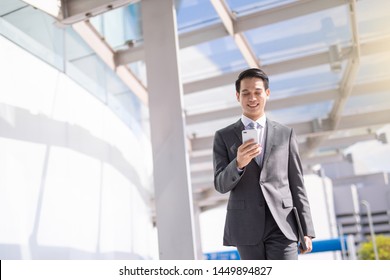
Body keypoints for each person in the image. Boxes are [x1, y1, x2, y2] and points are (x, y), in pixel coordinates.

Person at [213, 68, 315, 260]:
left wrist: (307, 229)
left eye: (257, 92)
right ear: (237, 96)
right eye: (246, 93)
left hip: (283, 224)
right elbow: (220, 184)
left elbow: (297, 184)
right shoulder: (223, 136)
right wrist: (238, 164)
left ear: (267, 93)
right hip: (245, 226)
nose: (252, 98)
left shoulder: (286, 134)